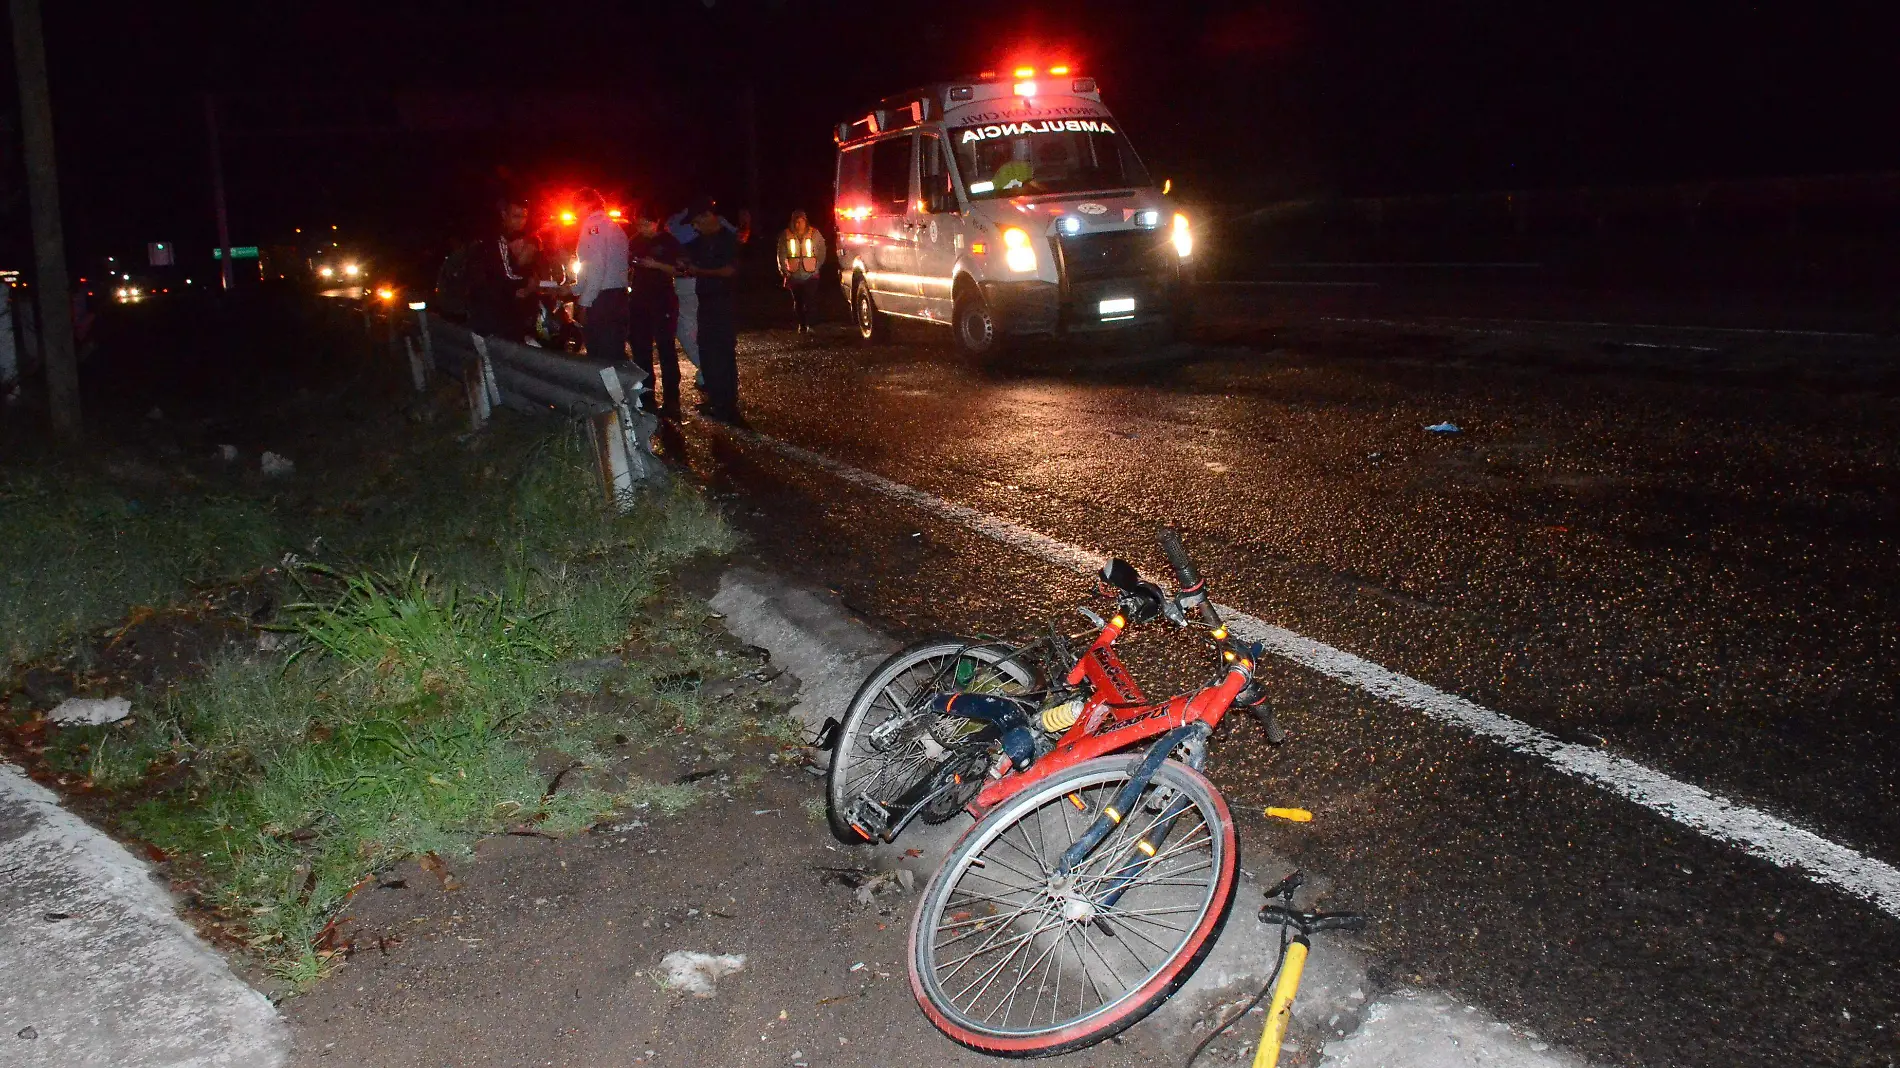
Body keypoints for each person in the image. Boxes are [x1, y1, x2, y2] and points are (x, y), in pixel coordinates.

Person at [680, 197, 742, 423]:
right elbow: (685, 256)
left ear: (708, 216)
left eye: (696, 222)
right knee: (706, 350)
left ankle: (727, 402)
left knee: (723, 352)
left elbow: (729, 270)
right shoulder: (700, 241)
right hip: (705, 302)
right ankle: (715, 398)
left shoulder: (727, 239)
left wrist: (700, 271)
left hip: (723, 302)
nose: (694, 227)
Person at [629, 209, 684, 414]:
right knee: (640, 348)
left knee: (665, 348)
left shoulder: (668, 241)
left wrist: (656, 264)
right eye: (638, 224)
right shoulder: (635, 240)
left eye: (645, 223)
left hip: (663, 299)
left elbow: (679, 269)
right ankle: (646, 396)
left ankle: (672, 399)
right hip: (639, 300)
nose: (641, 228)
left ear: (655, 222)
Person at [573, 189, 630, 363]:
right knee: (614, 354)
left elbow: (595, 268)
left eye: (576, 207)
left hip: (602, 301)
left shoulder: (593, 226)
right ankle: (631, 388)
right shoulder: (613, 225)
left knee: (602, 359)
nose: (576, 213)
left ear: (585, 204)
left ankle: (614, 390)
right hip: (617, 297)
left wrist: (584, 304)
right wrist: (574, 288)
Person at [466, 197, 533, 338]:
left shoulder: (519, 237)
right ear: (504, 215)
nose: (521, 221)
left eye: (524, 217)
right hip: (491, 313)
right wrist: (528, 283)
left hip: (504, 310)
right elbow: (508, 275)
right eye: (516, 216)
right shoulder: (496, 239)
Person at [775, 210, 827, 334]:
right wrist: (784, 270)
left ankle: (810, 324)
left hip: (811, 274)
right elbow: (781, 254)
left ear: (805, 221)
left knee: (810, 299)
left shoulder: (814, 234)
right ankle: (802, 324)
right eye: (796, 222)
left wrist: (817, 266)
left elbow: (822, 250)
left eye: (801, 221)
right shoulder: (786, 235)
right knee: (798, 302)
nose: (799, 224)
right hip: (793, 275)